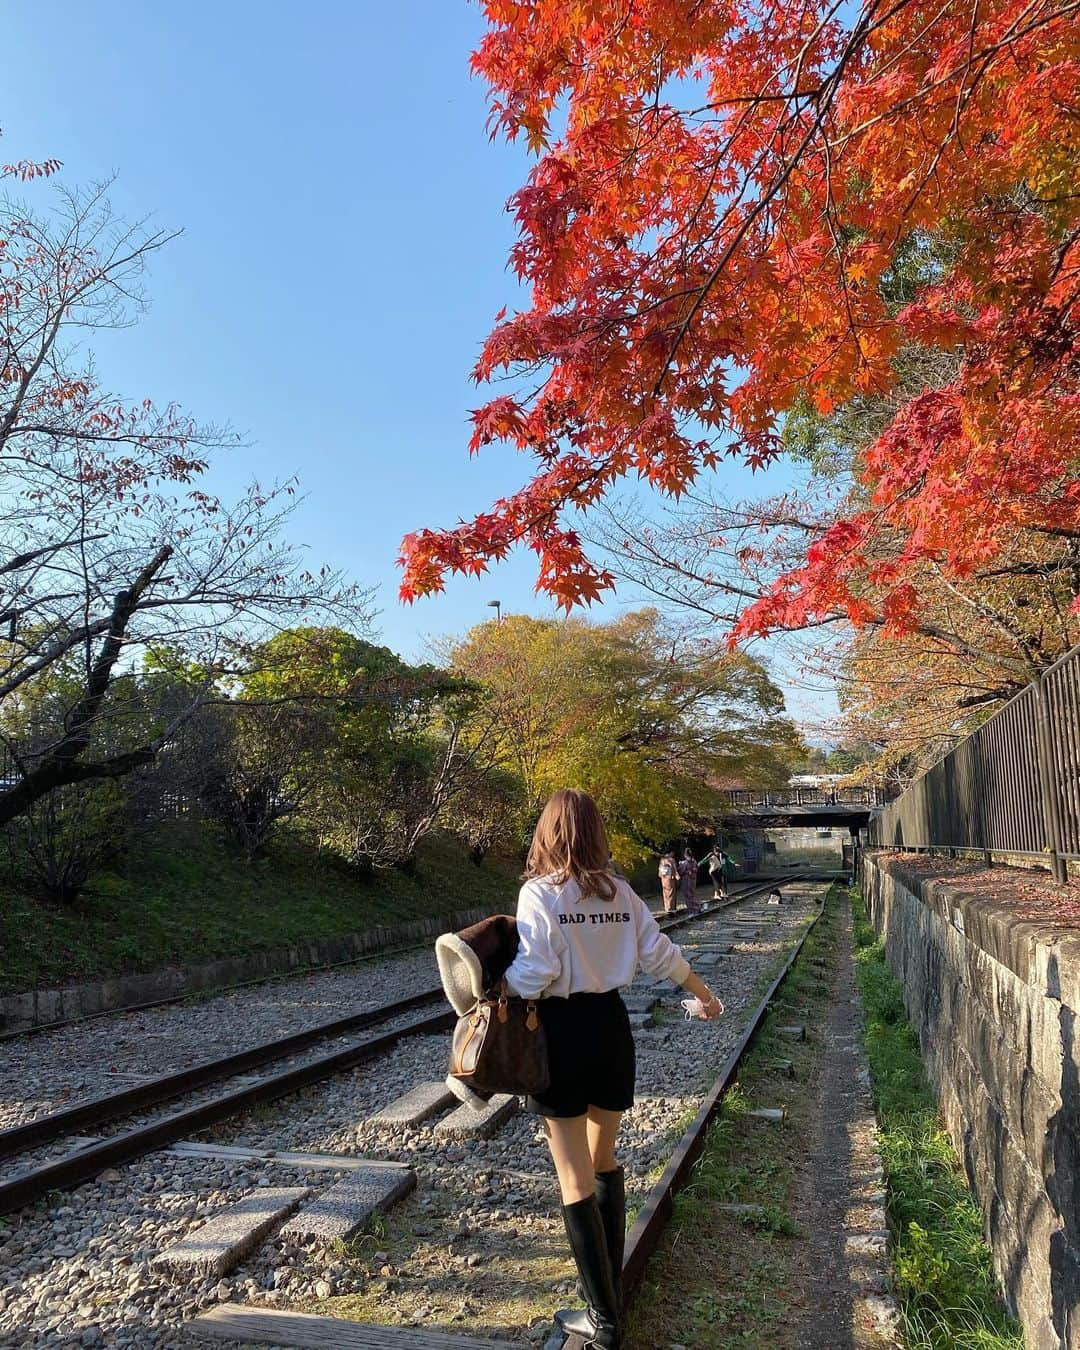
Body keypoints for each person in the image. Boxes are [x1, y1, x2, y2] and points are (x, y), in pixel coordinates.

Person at [503, 790, 722, 1350]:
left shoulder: (540, 895)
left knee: (573, 1176)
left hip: (561, 1035)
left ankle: (603, 1324)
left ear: (548, 835)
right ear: (596, 834)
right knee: (603, 1162)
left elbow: (537, 970)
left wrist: (496, 991)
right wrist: (705, 995)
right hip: (610, 1029)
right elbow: (660, 955)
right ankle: (612, 1301)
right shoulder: (622, 894)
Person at [678, 847, 699, 915]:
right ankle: (696, 908)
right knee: (692, 894)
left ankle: (691, 910)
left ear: (685, 855)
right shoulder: (694, 861)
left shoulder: (684, 863)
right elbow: (696, 870)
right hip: (693, 879)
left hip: (686, 880)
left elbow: (681, 871)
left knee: (687, 895)